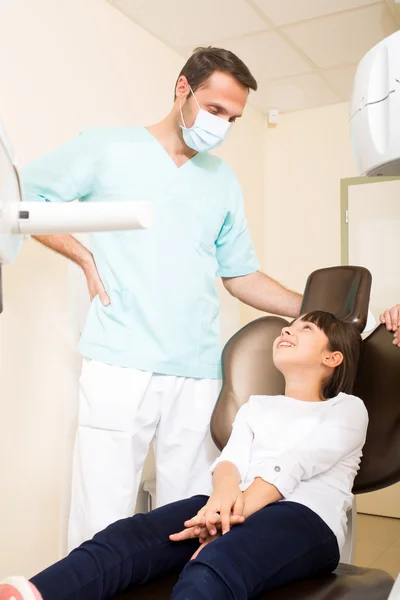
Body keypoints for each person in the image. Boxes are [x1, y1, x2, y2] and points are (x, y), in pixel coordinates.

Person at [21, 47, 302, 549]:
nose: (222, 126)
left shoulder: (222, 181)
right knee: (101, 517)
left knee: (188, 518)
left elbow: (240, 275)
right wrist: (82, 255)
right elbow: (26, 200)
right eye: (215, 110)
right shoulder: (105, 148)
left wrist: (310, 308)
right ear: (182, 89)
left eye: (233, 119)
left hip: (196, 370)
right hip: (119, 361)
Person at [0, 310, 369, 600]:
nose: (288, 330)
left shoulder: (348, 409)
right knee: (131, 534)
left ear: (332, 357)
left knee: (216, 562)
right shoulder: (258, 406)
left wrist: (224, 522)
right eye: (289, 325)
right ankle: (35, 593)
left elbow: (289, 466)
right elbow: (230, 461)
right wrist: (220, 504)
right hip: (231, 506)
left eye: (306, 329)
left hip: (306, 519)